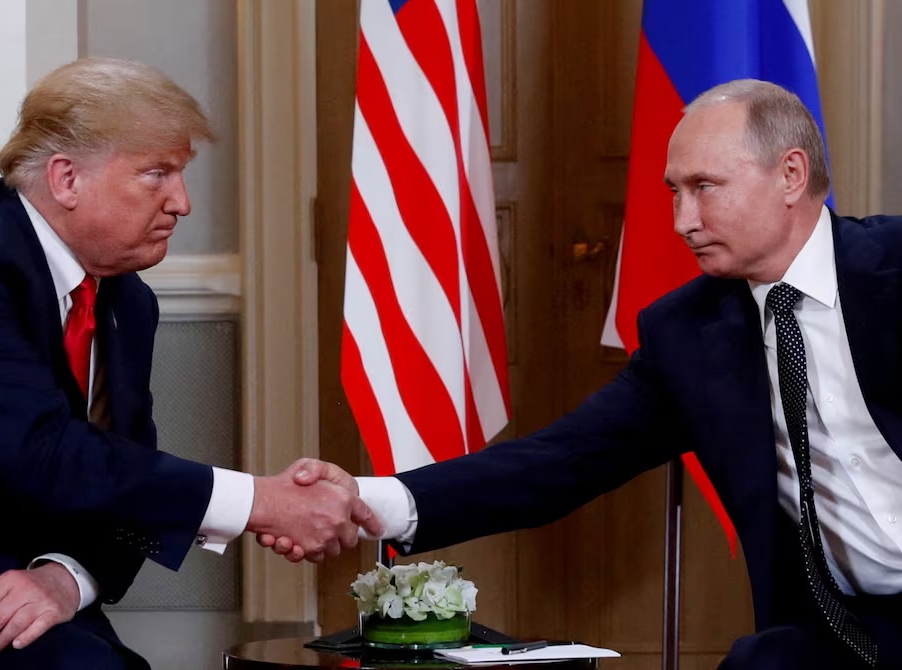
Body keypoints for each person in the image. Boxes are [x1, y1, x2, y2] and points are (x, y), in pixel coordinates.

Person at [268, 79, 902, 669]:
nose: (681, 220)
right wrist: (368, 497)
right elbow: (560, 461)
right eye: (672, 192)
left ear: (790, 174)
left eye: (704, 187)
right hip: (845, 631)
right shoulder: (688, 335)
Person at [0, 57, 381, 669]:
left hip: (34, 597)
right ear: (66, 179)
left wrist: (68, 578)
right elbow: (42, 452)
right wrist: (260, 501)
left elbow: (127, 476)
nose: (183, 203)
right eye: (158, 174)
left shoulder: (127, 301)